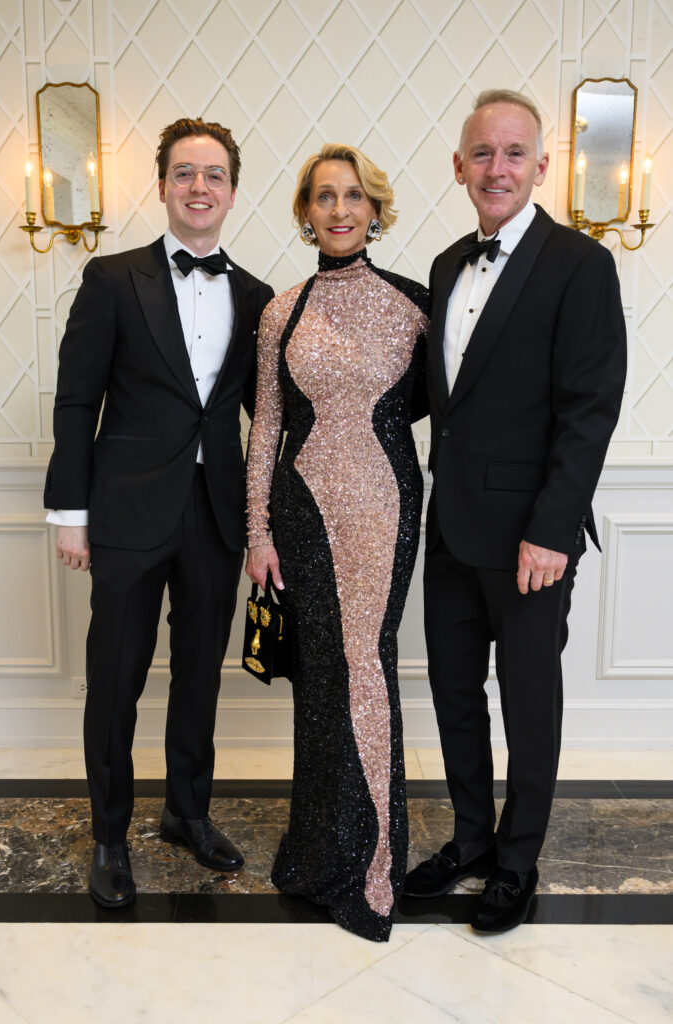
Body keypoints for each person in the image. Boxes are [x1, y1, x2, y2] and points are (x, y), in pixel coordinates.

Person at [404, 90, 627, 932]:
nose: (495, 168)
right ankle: (470, 839)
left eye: (511, 153)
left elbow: (588, 409)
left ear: (540, 165)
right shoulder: (443, 266)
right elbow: (444, 398)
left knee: (529, 702)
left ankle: (516, 858)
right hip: (450, 526)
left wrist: (551, 530)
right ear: (457, 166)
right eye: (481, 153)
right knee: (454, 695)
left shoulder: (579, 264)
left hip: (531, 537)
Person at [44, 117, 273, 908]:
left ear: (232, 191)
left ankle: (187, 812)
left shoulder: (257, 297)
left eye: (213, 175)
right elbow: (77, 401)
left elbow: (267, 417)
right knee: (116, 678)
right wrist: (70, 513)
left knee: (199, 677)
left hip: (214, 515)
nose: (198, 187)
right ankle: (109, 835)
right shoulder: (112, 279)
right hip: (127, 513)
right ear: (164, 184)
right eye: (184, 173)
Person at [245, 144, 428, 942]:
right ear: (305, 212)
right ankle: (316, 854)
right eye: (324, 196)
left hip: (385, 503)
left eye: (353, 195)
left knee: (365, 662)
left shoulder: (415, 304)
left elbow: (450, 403)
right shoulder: (281, 311)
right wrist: (257, 532)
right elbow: (266, 430)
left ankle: (372, 865)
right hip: (300, 513)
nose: (340, 209)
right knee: (319, 677)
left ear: (374, 209)